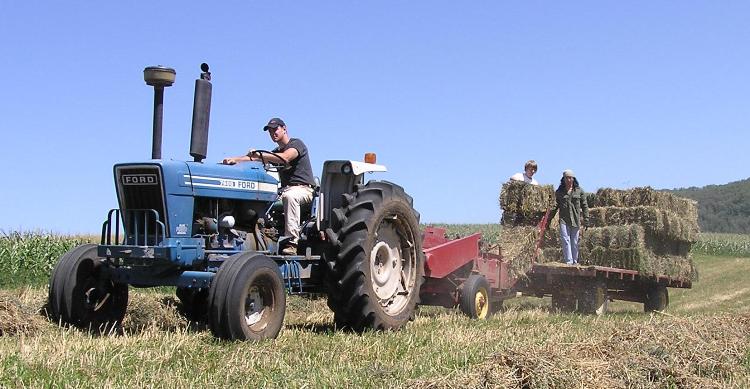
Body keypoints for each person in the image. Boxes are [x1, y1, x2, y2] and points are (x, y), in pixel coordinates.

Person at [223, 118, 315, 255]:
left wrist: (262, 155)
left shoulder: (296, 144)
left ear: (284, 128)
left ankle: (291, 242)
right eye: (270, 131)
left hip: (303, 189)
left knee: (290, 197)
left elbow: (285, 158)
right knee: (262, 197)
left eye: (275, 129)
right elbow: (256, 158)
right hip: (283, 190)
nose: (273, 133)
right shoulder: (275, 152)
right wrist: (236, 160)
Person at [548, 169, 589, 265]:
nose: (569, 180)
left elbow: (585, 206)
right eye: (566, 178)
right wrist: (549, 220)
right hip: (564, 220)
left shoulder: (579, 191)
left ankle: (575, 261)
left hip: (575, 220)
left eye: (570, 178)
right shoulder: (559, 192)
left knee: (574, 242)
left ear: (573, 179)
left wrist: (586, 220)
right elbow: (554, 207)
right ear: (563, 179)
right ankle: (569, 262)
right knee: (565, 240)